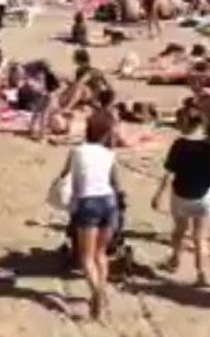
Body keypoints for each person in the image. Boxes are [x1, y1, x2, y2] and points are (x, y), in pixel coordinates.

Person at [151, 105, 210, 286]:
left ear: (185, 123)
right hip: (203, 195)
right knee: (200, 237)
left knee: (179, 230)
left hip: (181, 194)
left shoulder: (179, 145)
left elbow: (169, 173)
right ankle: (201, 273)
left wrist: (159, 195)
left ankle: (175, 258)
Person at [54, 116, 122, 320]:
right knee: (101, 254)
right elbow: (116, 184)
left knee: (86, 257)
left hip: (87, 203)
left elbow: (64, 175)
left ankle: (97, 293)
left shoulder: (77, 151)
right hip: (108, 202)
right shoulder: (110, 154)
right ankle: (101, 290)